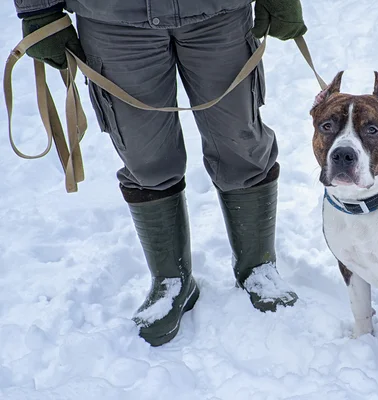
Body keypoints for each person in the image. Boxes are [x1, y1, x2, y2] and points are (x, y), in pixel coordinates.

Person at [14, 0, 307, 346]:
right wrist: (38, 9)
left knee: (240, 142)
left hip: (219, 13)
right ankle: (172, 280)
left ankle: (258, 267)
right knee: (145, 157)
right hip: (113, 20)